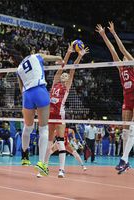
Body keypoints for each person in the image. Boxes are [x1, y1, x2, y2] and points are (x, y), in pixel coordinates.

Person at [15, 40, 63, 176]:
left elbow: (21, 88)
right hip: (40, 91)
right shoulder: (36, 56)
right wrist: (59, 58)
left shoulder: (18, 69)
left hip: (27, 95)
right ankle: (41, 163)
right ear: (30, 51)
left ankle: (24, 156)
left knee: (28, 127)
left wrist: (25, 103)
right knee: (43, 128)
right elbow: (50, 58)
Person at [43, 44, 89, 178]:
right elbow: (61, 67)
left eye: (66, 76)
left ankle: (61, 170)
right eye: (63, 75)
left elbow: (72, 69)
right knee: (49, 142)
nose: (64, 75)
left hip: (59, 115)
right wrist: (68, 52)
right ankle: (44, 166)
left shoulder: (67, 86)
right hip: (50, 115)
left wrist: (79, 56)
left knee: (61, 141)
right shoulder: (55, 83)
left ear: (68, 79)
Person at [96, 22, 134, 173]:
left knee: (131, 130)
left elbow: (121, 49)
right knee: (125, 132)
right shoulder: (121, 67)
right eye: (123, 57)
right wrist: (104, 35)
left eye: (125, 56)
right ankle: (125, 160)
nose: (123, 56)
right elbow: (113, 51)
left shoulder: (132, 64)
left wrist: (114, 33)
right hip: (127, 101)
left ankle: (124, 159)